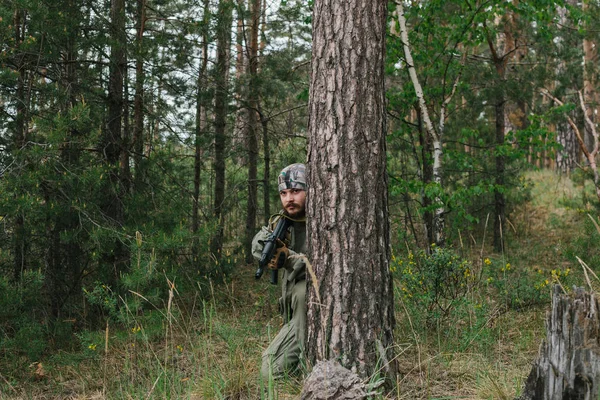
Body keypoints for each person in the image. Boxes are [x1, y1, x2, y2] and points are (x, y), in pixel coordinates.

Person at [252, 163, 307, 379]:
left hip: (309, 303)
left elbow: (325, 263)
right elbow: (258, 243)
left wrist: (290, 258)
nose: (289, 199)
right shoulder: (283, 221)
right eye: (284, 193)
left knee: (269, 373)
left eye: (295, 191)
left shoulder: (323, 220)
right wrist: (269, 249)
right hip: (292, 312)